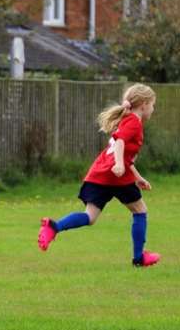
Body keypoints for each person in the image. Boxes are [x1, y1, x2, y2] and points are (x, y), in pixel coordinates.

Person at [38, 84, 160, 267]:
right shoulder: (134, 122)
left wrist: (136, 176)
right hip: (115, 175)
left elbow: (124, 154)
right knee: (140, 211)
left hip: (99, 174)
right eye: (152, 105)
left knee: (90, 217)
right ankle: (138, 258)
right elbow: (119, 144)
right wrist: (119, 165)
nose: (153, 109)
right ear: (143, 104)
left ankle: (54, 227)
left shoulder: (127, 120)